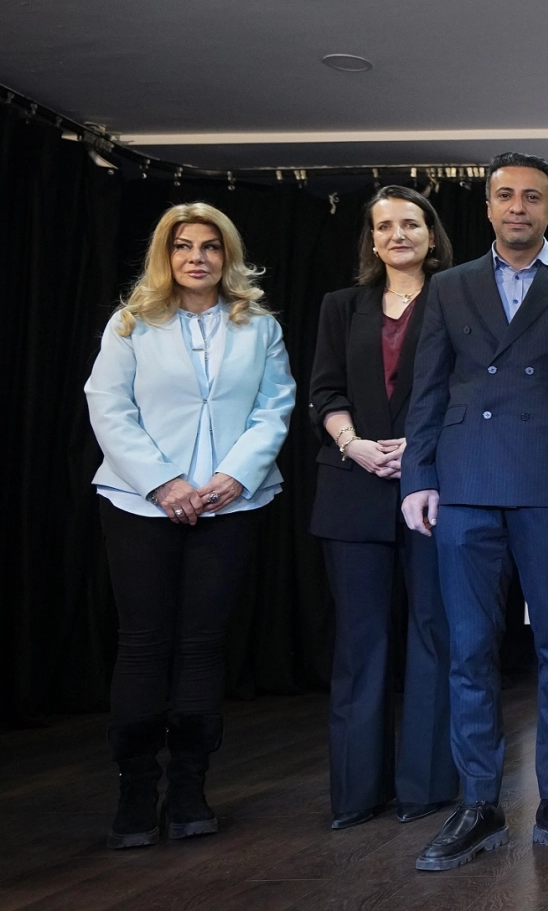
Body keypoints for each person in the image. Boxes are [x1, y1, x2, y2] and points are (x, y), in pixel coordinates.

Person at [400, 153, 548, 871]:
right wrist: (417, 476)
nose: (518, 207)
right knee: (470, 651)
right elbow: (428, 391)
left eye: (532, 197)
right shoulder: (449, 286)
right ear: (489, 207)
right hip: (464, 484)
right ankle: (478, 805)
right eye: (505, 196)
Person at [84, 203, 295, 849]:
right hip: (140, 502)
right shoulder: (130, 323)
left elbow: (274, 407)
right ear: (166, 255)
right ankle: (135, 791)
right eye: (182, 246)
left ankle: (188, 789)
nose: (196, 257)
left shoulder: (259, 327)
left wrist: (234, 476)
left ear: (227, 256)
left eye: (209, 246)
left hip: (230, 503)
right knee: (143, 643)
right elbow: (108, 406)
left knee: (203, 645)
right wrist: (162, 482)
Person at [308, 186, 458, 830]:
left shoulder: (458, 298)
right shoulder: (341, 306)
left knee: (434, 635)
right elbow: (324, 391)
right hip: (353, 487)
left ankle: (426, 788)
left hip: (436, 489)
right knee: (359, 643)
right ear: (371, 239)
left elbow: (468, 391)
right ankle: (356, 794)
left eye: (410, 223)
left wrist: (421, 450)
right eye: (385, 226)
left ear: (430, 233)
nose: (398, 234)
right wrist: (354, 445)